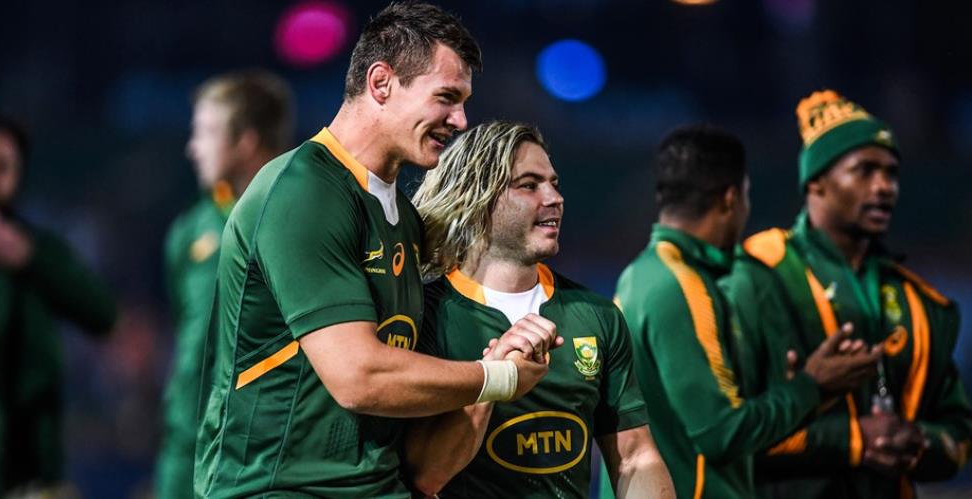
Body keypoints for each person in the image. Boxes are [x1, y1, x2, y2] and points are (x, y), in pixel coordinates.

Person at [195, 4, 557, 497]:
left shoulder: (402, 217)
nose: (460, 120)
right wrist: (497, 377)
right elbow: (358, 376)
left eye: (464, 102)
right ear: (381, 83)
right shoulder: (303, 191)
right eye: (446, 98)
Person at [723, 90, 972, 498]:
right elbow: (722, 430)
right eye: (864, 170)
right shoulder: (754, 277)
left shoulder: (920, 303)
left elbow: (959, 434)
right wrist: (852, 438)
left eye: (892, 173)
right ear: (816, 182)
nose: (884, 187)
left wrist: (916, 441)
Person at [407, 121, 674, 498]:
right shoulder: (425, 314)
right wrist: (494, 377)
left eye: (554, 183)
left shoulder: (596, 315)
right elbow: (425, 476)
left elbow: (634, 457)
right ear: (478, 198)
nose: (555, 197)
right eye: (529, 185)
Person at [614, 125, 884, 499]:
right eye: (747, 194)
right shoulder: (682, 288)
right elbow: (721, 434)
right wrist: (812, 385)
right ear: (731, 198)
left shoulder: (641, 276)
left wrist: (793, 390)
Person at [155, 70, 294, 499]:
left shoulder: (301, 220)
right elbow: (184, 328)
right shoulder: (191, 230)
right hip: (189, 438)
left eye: (206, 132)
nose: (192, 147)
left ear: (246, 141)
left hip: (269, 450)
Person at [0, 113, 117, 496]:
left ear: (19, 174)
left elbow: (103, 315)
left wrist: (31, 259)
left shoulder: (37, 248)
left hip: (29, 463)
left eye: (1, 166)